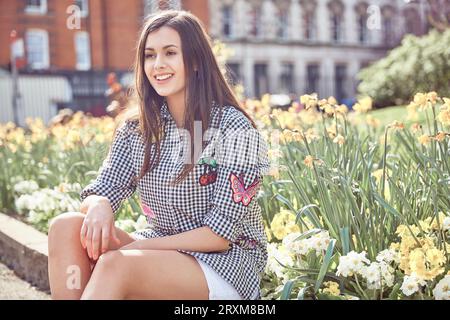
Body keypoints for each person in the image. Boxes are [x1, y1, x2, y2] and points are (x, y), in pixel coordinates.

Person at [47, 10, 269, 300]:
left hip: (225, 262)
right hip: (160, 249)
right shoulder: (137, 128)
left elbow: (218, 237)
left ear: (196, 61)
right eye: (150, 55)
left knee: (116, 265)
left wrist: (133, 250)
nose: (158, 65)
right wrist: (99, 203)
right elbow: (103, 189)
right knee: (66, 227)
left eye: (170, 53)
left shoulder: (234, 128)